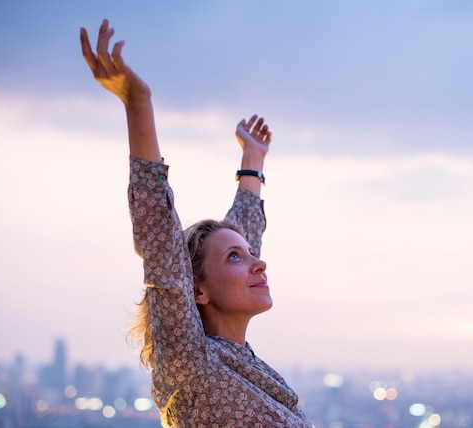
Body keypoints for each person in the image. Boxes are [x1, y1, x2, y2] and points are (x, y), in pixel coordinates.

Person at [80, 20, 312, 427]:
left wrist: (252, 163)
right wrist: (138, 103)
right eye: (237, 258)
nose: (260, 264)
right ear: (196, 291)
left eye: (251, 255)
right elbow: (162, 245)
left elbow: (239, 235)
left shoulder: (239, 365)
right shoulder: (191, 365)